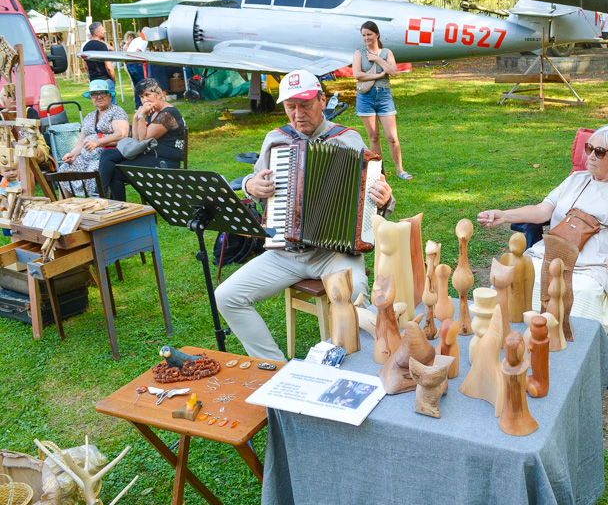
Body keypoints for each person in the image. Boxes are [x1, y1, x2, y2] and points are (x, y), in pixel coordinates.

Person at [215, 70, 395, 363]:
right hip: (285, 253)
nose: (298, 114)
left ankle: (343, 365)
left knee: (358, 297)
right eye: (290, 106)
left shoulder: (347, 140)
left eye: (305, 104)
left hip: (336, 253)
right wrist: (251, 184)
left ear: (322, 100)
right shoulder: (275, 140)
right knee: (227, 296)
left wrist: (385, 199)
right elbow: (257, 183)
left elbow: (382, 199)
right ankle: (276, 368)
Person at [477, 124, 608, 334]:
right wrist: (504, 215)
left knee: (582, 293)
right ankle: (506, 336)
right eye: (589, 148)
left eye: (599, 152)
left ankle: (575, 352)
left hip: (594, 265)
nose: (590, 156)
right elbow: (542, 211)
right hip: (551, 255)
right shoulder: (577, 179)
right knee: (513, 275)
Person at [98, 78, 185, 201]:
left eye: (147, 95)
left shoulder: (168, 114)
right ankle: (100, 193)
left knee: (115, 172)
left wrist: (141, 115)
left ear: (158, 94)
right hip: (148, 155)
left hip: (164, 161)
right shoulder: (152, 111)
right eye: (141, 97)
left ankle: (115, 205)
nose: (144, 100)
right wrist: (135, 118)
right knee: (107, 153)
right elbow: (135, 139)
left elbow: (144, 139)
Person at [352, 20, 412, 180]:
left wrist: (377, 59)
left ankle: (400, 170)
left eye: (369, 34)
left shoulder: (386, 53)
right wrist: (378, 75)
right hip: (366, 97)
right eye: (364, 35)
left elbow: (393, 71)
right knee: (374, 136)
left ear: (377, 34)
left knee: (392, 137)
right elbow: (357, 74)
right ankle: (379, 172)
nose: (366, 38)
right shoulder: (359, 53)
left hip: (384, 96)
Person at [57, 80, 129, 196]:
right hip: (86, 158)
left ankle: (100, 202)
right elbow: (82, 140)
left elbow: (122, 134)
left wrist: (98, 142)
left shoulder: (117, 112)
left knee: (94, 169)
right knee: (65, 169)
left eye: (102, 93)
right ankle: (66, 206)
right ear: (90, 98)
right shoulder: (90, 116)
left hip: (105, 157)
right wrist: (73, 154)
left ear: (109, 96)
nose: (98, 97)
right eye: (95, 94)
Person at [82, 22, 117, 104]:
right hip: (105, 79)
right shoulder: (102, 46)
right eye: (102, 29)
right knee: (111, 105)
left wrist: (89, 75)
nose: (105, 31)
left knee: (99, 105)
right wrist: (113, 78)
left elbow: (85, 66)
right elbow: (108, 65)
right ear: (96, 33)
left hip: (94, 80)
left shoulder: (85, 47)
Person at [123, 30, 148, 108]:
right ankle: (144, 103)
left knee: (136, 85)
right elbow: (138, 52)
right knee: (143, 84)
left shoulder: (136, 40)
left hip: (128, 63)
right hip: (136, 63)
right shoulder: (144, 40)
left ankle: (138, 105)